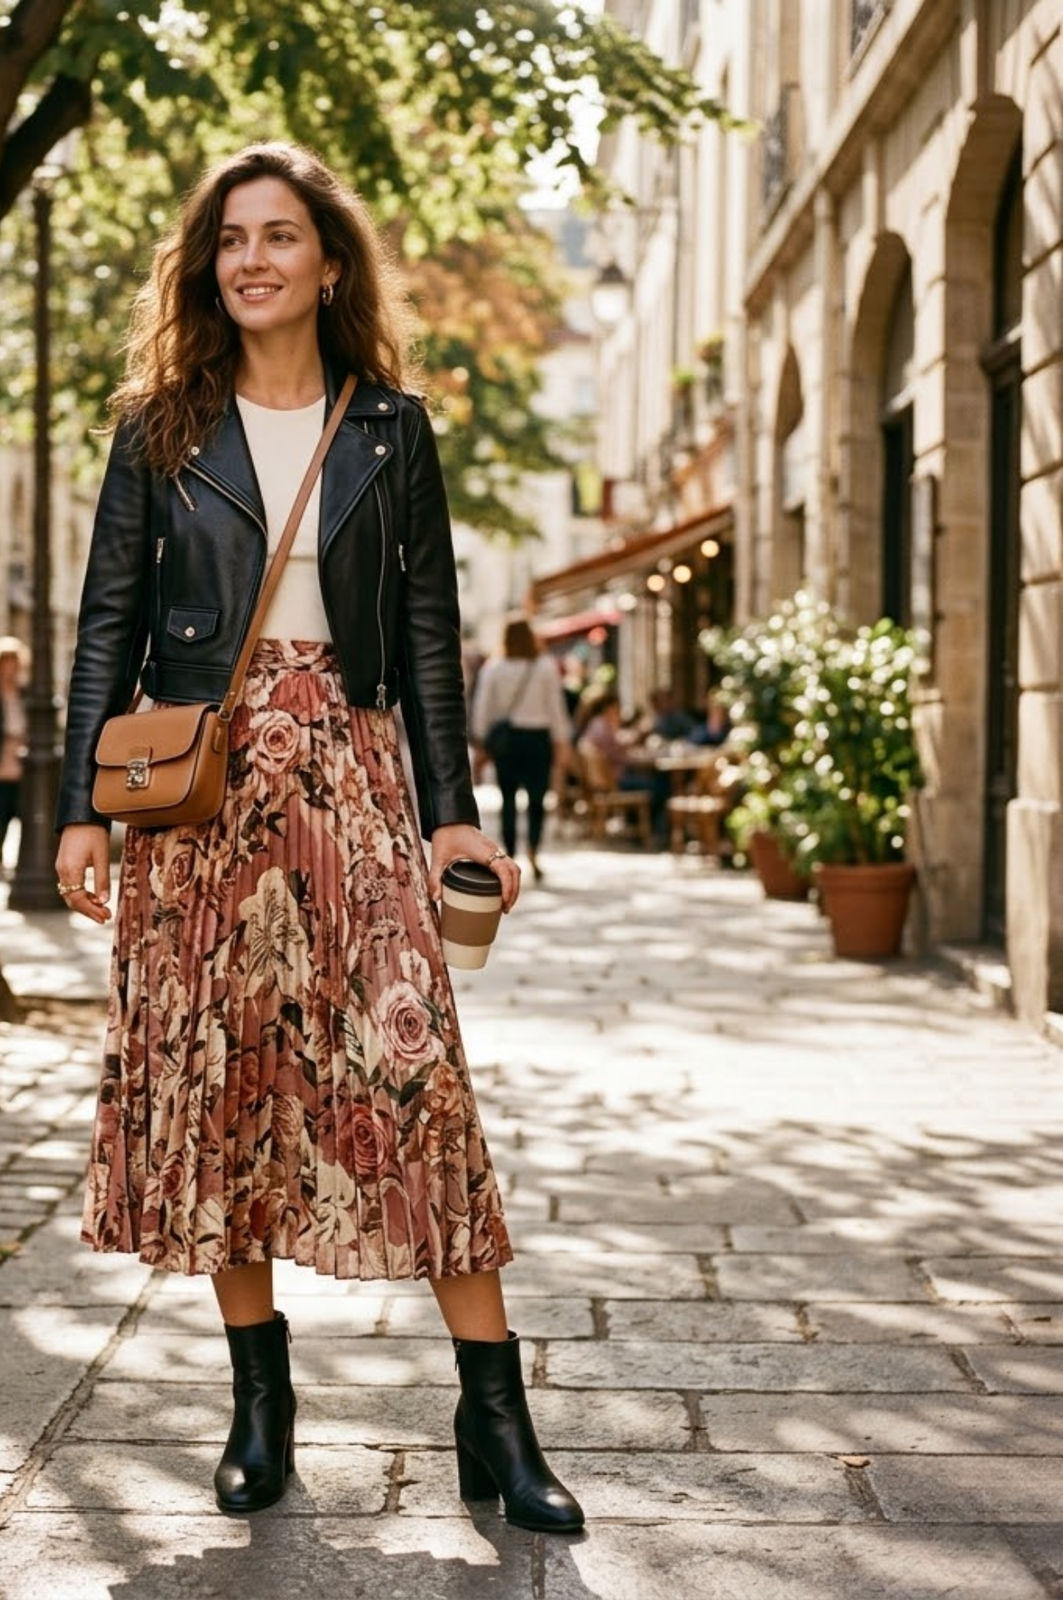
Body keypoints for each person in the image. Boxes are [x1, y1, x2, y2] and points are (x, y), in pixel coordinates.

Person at [54, 142, 582, 1535]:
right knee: (225, 1087)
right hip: (200, 796)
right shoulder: (159, 428)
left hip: (349, 775)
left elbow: (427, 638)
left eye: (280, 236)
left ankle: (496, 1419)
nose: (253, 260)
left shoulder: (390, 431)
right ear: (207, 264)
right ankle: (258, 1408)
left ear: (328, 263)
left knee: (417, 1081)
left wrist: (454, 815)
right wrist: (76, 812)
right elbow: (106, 625)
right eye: (231, 239)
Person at [470, 616, 571, 882]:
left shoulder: (494, 667)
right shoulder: (545, 667)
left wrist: (481, 742)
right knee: (537, 800)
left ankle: (510, 853)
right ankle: (534, 849)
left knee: (508, 799)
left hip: (508, 742)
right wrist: (562, 742)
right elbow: (556, 709)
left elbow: (482, 708)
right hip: (538, 740)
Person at [577, 689, 670, 843]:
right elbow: (619, 757)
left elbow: (617, 750)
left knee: (652, 781)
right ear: (609, 708)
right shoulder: (602, 727)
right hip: (613, 781)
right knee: (662, 786)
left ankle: (641, 826)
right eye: (617, 707)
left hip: (611, 778)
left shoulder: (597, 724)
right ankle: (658, 833)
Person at [0, 637, 29, 880]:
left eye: (14, 663)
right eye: (6, 663)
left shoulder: (25, 693)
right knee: (1, 811)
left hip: (23, 758)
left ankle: (21, 858)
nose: (10, 669)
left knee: (22, 809)